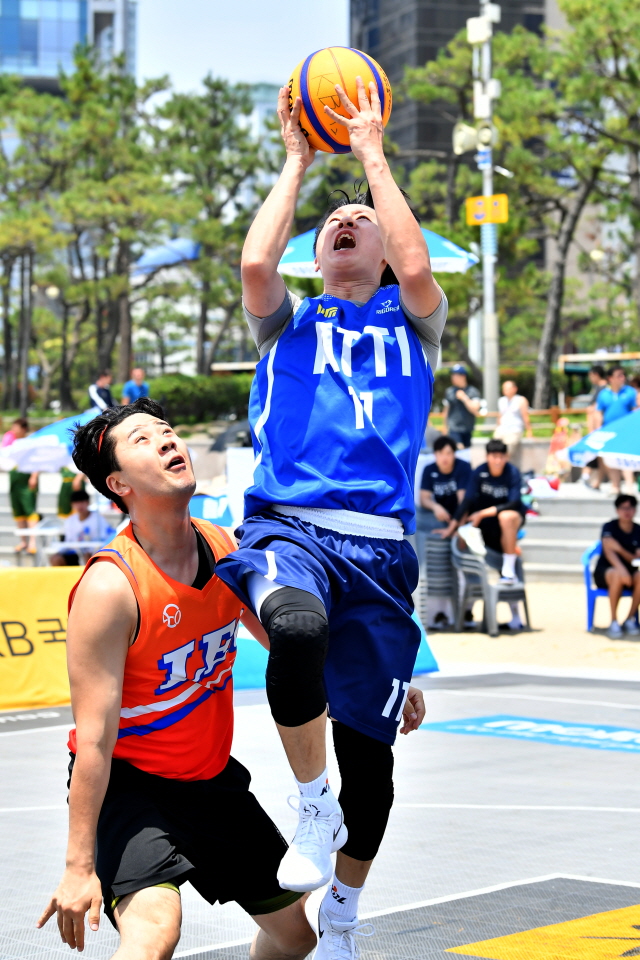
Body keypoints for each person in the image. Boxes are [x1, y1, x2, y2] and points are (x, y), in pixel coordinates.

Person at [214, 80, 436, 954]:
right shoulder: (286, 323)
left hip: (380, 553)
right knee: (294, 629)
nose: (344, 220)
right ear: (317, 255)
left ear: (383, 252)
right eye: (329, 221)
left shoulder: (414, 323)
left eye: (362, 218)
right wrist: (301, 159)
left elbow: (419, 269)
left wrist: (373, 154)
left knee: (373, 765)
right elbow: (254, 267)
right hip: (290, 529)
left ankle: (342, 908)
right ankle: (313, 808)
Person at [37, 398, 317, 960]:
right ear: (117, 483)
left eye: (167, 431)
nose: (167, 440)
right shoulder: (110, 589)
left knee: (296, 938)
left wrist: (391, 686)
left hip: (210, 780)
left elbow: (292, 647)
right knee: (156, 932)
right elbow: (92, 739)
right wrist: (78, 867)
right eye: (142, 439)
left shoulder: (225, 549)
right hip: (131, 784)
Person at [455, 438, 527, 608]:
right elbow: (467, 501)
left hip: (509, 520)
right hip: (485, 529)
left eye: (501, 457)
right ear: (487, 457)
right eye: (494, 456)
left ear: (507, 457)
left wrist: (483, 513)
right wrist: (454, 526)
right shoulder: (479, 473)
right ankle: (467, 610)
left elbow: (515, 502)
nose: (498, 461)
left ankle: (508, 572)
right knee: (465, 537)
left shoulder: (513, 473)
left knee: (506, 517)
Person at [593, 494, 640, 640]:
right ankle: (613, 621)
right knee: (617, 574)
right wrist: (623, 567)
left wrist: (619, 549)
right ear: (617, 510)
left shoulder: (638, 530)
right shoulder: (609, 527)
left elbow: (635, 559)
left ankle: (630, 618)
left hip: (631, 572)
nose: (627, 511)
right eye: (623, 508)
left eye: (630, 508)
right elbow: (608, 550)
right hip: (606, 572)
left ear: (635, 510)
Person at [418, 435, 471, 542]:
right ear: (435, 455)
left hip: (464, 515)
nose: (444, 457)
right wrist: (435, 507)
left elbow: (464, 502)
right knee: (416, 517)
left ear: (454, 454)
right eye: (440, 453)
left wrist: (458, 528)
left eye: (448, 453)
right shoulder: (429, 469)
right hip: (444, 515)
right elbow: (424, 498)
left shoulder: (463, 467)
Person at [596, 365, 638, 494]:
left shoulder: (630, 392)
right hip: (609, 432)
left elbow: (636, 410)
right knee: (611, 459)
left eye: (623, 375)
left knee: (626, 458)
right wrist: (598, 430)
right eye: (619, 375)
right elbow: (599, 413)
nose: (623, 378)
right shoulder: (604, 394)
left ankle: (630, 486)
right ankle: (615, 486)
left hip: (626, 432)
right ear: (610, 378)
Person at [2, 417, 39, 555]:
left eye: (16, 428)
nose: (13, 430)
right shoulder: (12, 443)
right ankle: (23, 541)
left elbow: (37, 461)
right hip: (14, 480)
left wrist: (34, 476)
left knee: (30, 511)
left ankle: (32, 542)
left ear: (23, 429)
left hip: (26, 480)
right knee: (18, 511)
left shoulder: (29, 443)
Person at [50, 489, 112, 565]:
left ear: (88, 503)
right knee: (55, 559)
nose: (79, 506)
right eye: (76, 503)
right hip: (74, 553)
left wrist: (91, 551)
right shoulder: (70, 521)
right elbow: (68, 542)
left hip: (93, 553)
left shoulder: (99, 520)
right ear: (72, 505)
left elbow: (104, 540)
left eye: (82, 502)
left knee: (88, 557)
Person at [442, 364, 481, 452]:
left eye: (455, 375)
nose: (452, 377)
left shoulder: (472, 391)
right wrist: (444, 428)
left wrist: (464, 398)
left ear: (463, 376)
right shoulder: (449, 391)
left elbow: (475, 409)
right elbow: (446, 410)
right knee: (459, 449)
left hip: (467, 428)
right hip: (454, 428)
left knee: (466, 453)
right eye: (452, 375)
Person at [494, 380, 532, 469]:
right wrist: (497, 426)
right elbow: (500, 415)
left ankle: (504, 469)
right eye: (504, 388)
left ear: (515, 389)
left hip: (514, 430)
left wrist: (529, 431)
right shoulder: (501, 400)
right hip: (502, 429)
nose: (505, 390)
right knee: (494, 447)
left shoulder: (521, 400)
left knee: (507, 450)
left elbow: (525, 416)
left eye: (507, 388)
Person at [583, 365, 608, 488]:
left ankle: (589, 478)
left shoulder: (603, 389)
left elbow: (597, 410)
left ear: (595, 374)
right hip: (596, 428)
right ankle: (595, 481)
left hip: (600, 428)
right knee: (599, 456)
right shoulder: (599, 388)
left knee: (599, 455)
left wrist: (594, 429)